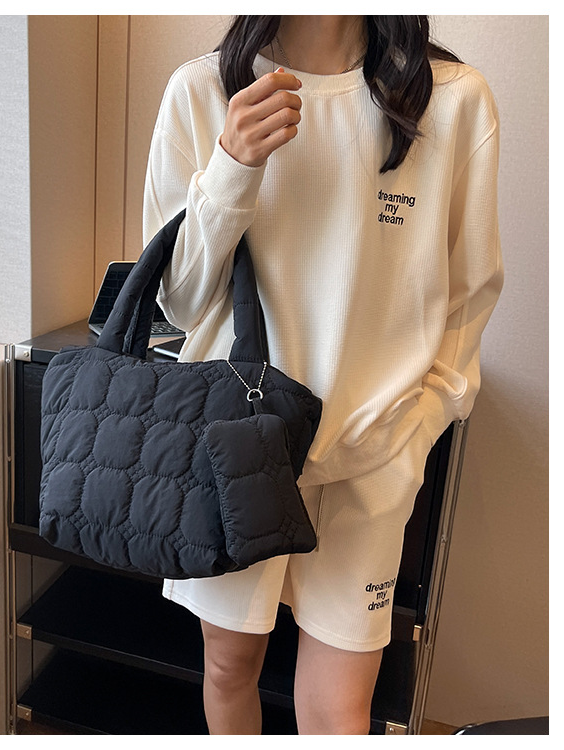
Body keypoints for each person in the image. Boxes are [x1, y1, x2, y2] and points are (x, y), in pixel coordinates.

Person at [142, 15, 503, 735]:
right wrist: (231, 167)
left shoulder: (454, 100)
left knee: (338, 712)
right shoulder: (201, 91)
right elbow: (177, 301)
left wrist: (422, 423)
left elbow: (470, 293)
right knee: (227, 668)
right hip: (237, 449)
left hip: (375, 455)